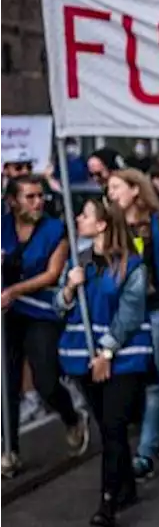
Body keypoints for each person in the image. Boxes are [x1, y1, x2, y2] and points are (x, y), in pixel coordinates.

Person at [55, 200, 152, 527]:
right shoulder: (79, 262)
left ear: (102, 226)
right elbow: (59, 307)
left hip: (123, 359)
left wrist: (106, 354)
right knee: (109, 427)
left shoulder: (132, 267)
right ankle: (127, 487)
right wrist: (69, 287)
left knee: (112, 426)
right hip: (84, 358)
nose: (78, 218)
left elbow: (130, 315)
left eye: (84, 215)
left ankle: (107, 503)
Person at [0, 176, 87, 478]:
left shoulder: (54, 230)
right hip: (8, 315)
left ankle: (71, 417)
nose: (38, 202)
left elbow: (52, 274)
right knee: (5, 382)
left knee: (45, 379)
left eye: (40, 196)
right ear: (12, 201)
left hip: (41, 313)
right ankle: (8, 450)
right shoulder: (3, 226)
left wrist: (14, 291)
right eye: (30, 197)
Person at [106, 169, 159, 480]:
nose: (110, 193)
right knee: (133, 380)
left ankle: (144, 453)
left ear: (135, 190)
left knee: (153, 380)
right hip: (122, 313)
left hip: (154, 311)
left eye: (116, 187)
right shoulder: (110, 226)